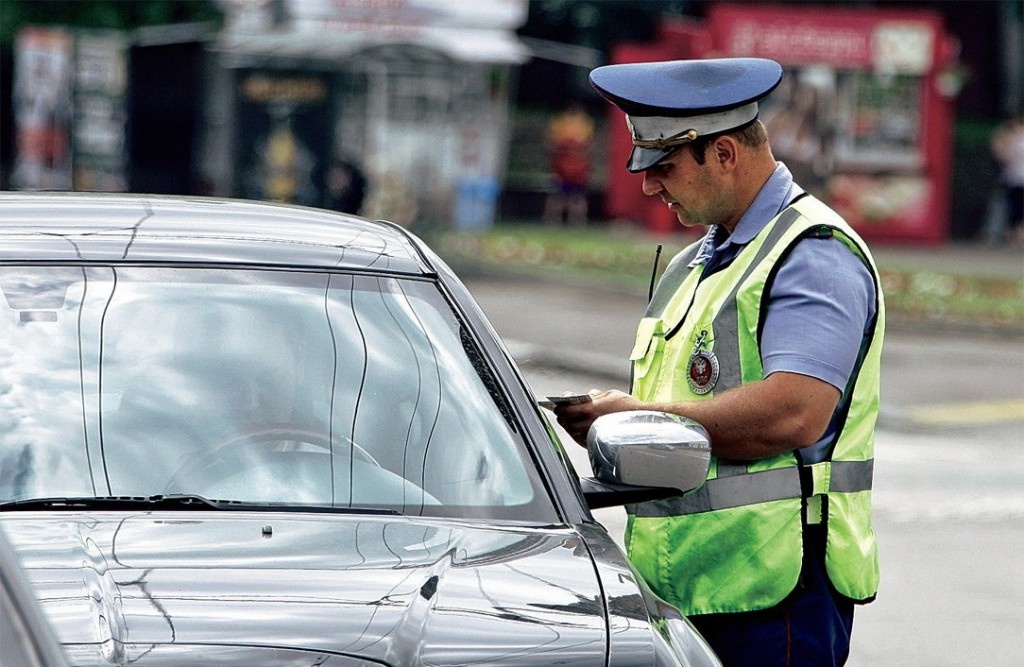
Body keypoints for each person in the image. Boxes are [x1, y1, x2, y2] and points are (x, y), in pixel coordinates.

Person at [553, 58, 885, 667]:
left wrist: (638, 416)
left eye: (665, 167)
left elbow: (794, 413)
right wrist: (617, 421)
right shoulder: (697, 261)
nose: (650, 187)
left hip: (774, 596)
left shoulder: (811, 253)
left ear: (725, 153)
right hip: (683, 589)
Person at [543, 103, 594, 226]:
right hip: (563, 166)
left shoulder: (585, 123)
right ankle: (553, 220)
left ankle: (577, 221)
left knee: (577, 196)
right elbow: (551, 141)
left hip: (578, 167)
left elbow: (589, 146)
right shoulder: (561, 122)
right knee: (558, 195)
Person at [990, 113, 1024, 247]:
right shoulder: (1009, 138)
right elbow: (999, 152)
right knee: (1014, 209)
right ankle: (1013, 235)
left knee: (1019, 209)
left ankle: (1017, 235)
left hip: (1019, 178)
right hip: (1013, 178)